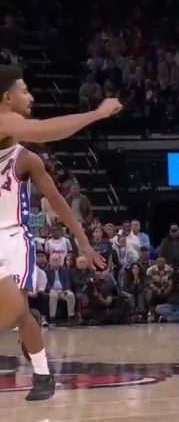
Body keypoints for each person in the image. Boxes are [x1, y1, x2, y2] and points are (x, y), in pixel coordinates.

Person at [0, 64, 115, 401]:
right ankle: (38, 357)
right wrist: (97, 113)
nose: (31, 96)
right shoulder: (4, 122)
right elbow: (44, 129)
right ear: (6, 98)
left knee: (14, 308)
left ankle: (42, 376)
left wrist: (83, 241)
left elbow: (58, 201)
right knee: (16, 311)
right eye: (24, 90)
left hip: (11, 238)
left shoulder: (26, 159)